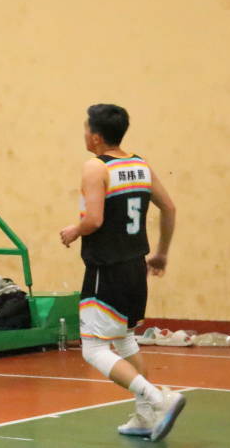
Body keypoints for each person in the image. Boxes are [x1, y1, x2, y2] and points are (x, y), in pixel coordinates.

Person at [59, 103, 185, 441]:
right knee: (124, 339)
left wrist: (74, 230)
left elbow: (94, 219)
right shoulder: (140, 164)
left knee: (93, 349)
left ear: (96, 137)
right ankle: (145, 417)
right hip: (135, 268)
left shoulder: (95, 167)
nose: (84, 134)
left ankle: (158, 398)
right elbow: (169, 207)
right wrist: (161, 253)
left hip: (107, 269)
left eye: (86, 129)